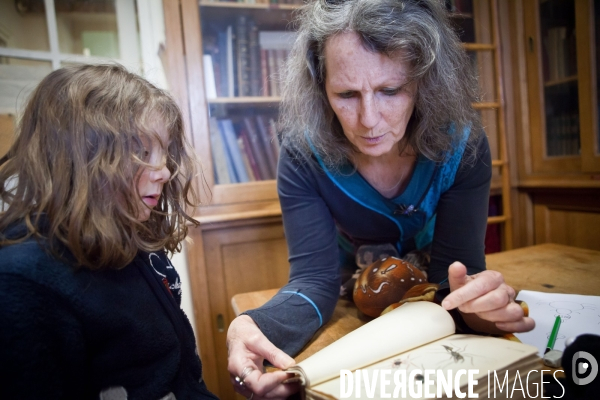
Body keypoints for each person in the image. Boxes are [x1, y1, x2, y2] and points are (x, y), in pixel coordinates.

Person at [226, 0, 535, 398]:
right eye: (346, 94)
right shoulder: (303, 151)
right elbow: (313, 281)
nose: (369, 120)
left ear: (425, 80)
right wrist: (254, 324)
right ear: (320, 87)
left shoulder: (464, 145)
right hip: (348, 297)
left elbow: (455, 277)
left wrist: (481, 307)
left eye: (390, 90)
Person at [0, 64, 218, 399]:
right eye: (142, 152)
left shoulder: (131, 235)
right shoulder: (22, 282)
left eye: (164, 153)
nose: (164, 172)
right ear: (81, 157)